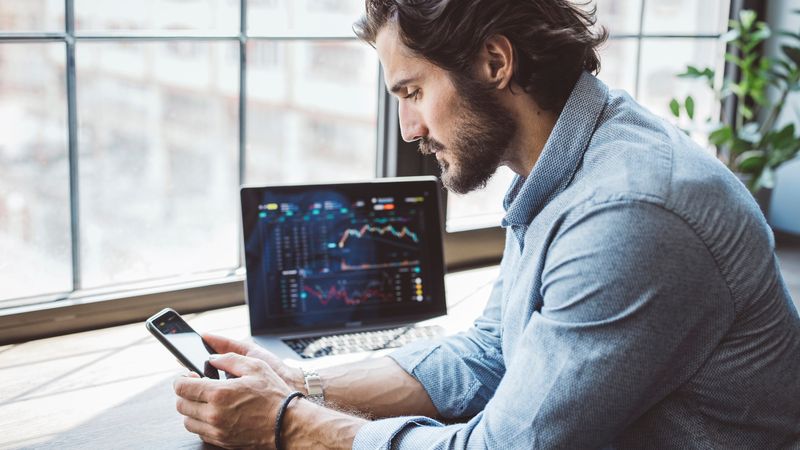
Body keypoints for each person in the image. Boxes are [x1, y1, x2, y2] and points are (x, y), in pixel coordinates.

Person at [173, 1, 800, 448]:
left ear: (494, 62)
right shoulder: (565, 166)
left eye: (413, 92)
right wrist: (299, 382)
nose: (408, 130)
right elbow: (490, 353)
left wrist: (287, 424)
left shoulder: (628, 212)